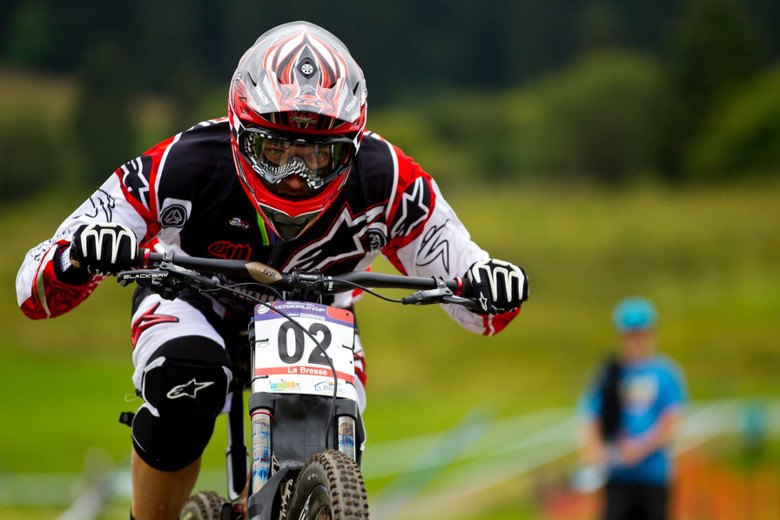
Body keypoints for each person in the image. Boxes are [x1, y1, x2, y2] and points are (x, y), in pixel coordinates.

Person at [15, 21, 528, 520]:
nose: (296, 177)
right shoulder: (183, 163)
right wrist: (80, 255)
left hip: (317, 310)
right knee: (186, 382)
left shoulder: (388, 178)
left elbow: (472, 288)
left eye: (318, 157)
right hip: (193, 299)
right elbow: (33, 290)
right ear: (239, 133)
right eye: (276, 150)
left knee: (334, 418)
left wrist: (489, 281)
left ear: (352, 147)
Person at [578, 297, 688, 520]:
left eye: (641, 334)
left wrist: (641, 447)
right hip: (617, 476)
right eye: (631, 334)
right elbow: (590, 419)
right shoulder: (608, 374)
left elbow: (672, 418)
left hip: (653, 476)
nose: (636, 340)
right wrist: (595, 452)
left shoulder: (665, 373)